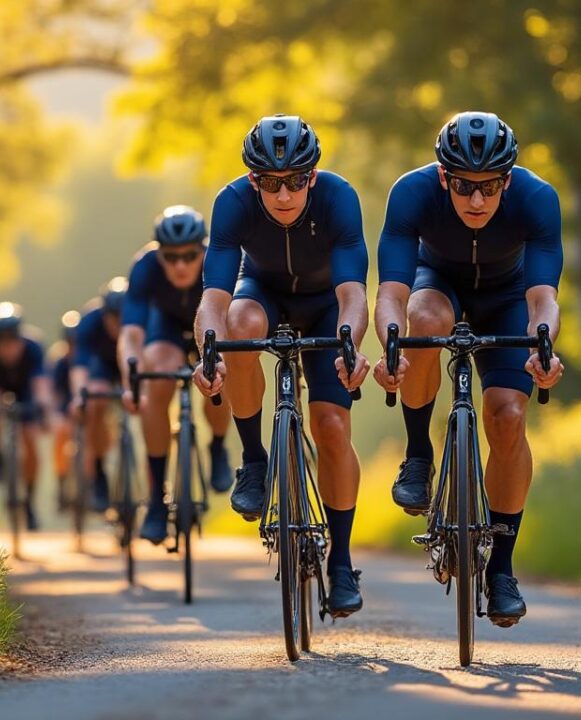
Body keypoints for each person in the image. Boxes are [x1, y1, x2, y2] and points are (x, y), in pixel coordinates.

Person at [372, 111, 566, 627]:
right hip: (438, 283)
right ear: (443, 177)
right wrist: (391, 346)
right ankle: (419, 455)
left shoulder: (537, 198)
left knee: (507, 418)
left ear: (508, 180)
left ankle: (500, 569)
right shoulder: (411, 193)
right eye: (463, 186)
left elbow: (543, 299)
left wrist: (543, 346)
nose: (476, 200)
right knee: (423, 319)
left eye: (489, 187)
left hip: (508, 296)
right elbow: (391, 294)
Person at [192, 115, 371, 618]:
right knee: (238, 323)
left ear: (312, 175)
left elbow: (353, 294)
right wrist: (209, 352)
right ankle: (254, 459)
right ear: (254, 181)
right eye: (270, 183)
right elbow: (213, 299)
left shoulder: (339, 198)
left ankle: (341, 562)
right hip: (262, 295)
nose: (284, 194)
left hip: (326, 305)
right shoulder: (232, 202)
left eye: (295, 180)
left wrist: (350, 345)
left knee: (331, 425)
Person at [117, 205, 234, 545]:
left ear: (202, 250)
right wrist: (131, 382)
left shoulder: (219, 260)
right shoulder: (144, 266)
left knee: (222, 372)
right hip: (165, 328)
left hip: (210, 325)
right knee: (156, 373)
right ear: (159, 254)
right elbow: (131, 335)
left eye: (189, 256)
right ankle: (157, 499)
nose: (180, 265)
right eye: (170, 257)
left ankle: (217, 446)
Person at [0, 301, 52, 530]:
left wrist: (43, 410)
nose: (8, 348)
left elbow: (41, 384)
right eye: (2, 342)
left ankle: (30, 504)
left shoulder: (33, 348)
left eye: (12, 341)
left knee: (30, 442)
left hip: (27, 392)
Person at [71, 280, 126, 513]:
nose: (117, 323)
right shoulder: (90, 321)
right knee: (96, 400)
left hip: (133, 361)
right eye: (112, 317)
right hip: (102, 366)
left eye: (122, 317)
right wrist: (79, 396)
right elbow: (80, 365)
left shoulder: (142, 316)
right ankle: (99, 469)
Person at [47, 310, 80, 513]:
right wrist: (55, 415)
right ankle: (61, 482)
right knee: (61, 434)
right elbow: (52, 393)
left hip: (87, 409)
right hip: (65, 410)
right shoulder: (59, 363)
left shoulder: (91, 359)